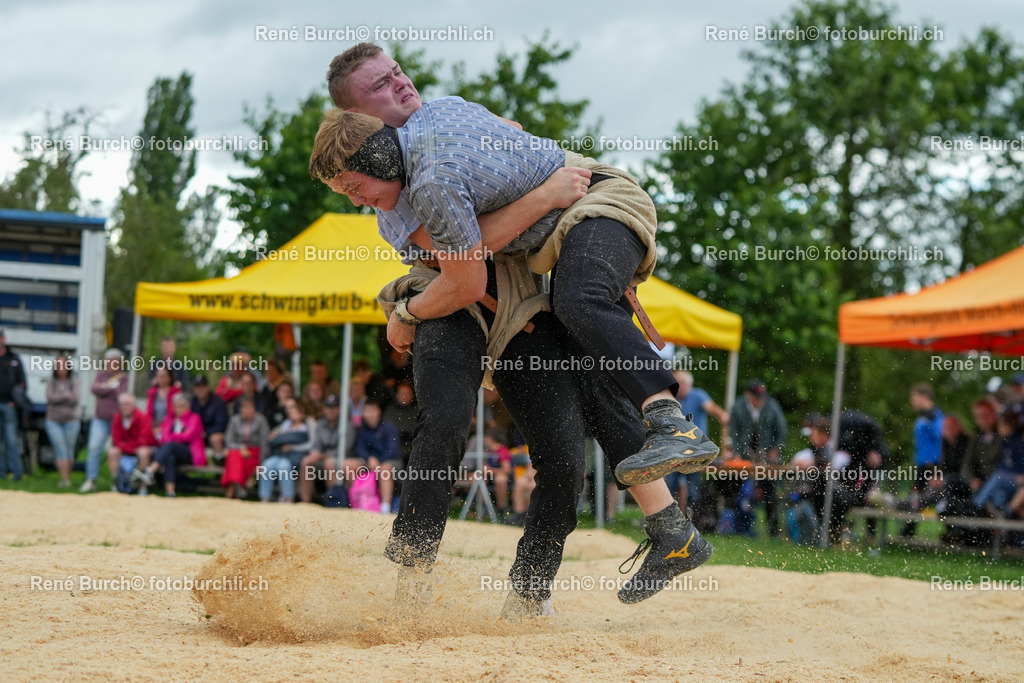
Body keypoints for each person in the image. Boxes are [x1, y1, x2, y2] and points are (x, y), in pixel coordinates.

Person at [319, 44, 714, 612]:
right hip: (458, 295)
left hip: (523, 295)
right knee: (447, 417)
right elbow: (466, 265)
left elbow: (513, 132)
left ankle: (546, 585)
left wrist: (527, 173)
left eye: (397, 73)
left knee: (570, 443)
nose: (400, 84)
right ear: (360, 121)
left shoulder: (441, 118)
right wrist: (545, 195)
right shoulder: (399, 191)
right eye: (380, 86)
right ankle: (411, 579)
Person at [310, 93, 720, 487]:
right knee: (590, 365)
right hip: (568, 220)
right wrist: (539, 191)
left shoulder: (429, 182)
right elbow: (512, 128)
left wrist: (405, 313)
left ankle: (673, 423)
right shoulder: (437, 115)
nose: (357, 201)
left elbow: (467, 275)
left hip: (597, 198)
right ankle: (669, 521)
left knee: (579, 300)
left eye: (354, 188)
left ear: (379, 158)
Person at [727, 379, 787, 536]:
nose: (759, 400)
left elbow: (782, 431)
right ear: (748, 394)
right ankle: (736, 527)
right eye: (756, 397)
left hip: (766, 457)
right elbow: (733, 432)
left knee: (769, 491)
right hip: (744, 456)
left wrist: (776, 450)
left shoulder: (772, 406)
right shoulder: (738, 407)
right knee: (734, 487)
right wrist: (737, 452)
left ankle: (774, 531)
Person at [664, 370, 729, 512]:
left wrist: (721, 415)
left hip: (695, 451)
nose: (679, 387)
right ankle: (670, 516)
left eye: (682, 384)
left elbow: (710, 406)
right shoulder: (670, 399)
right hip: (674, 450)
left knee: (693, 487)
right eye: (677, 384)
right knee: (669, 486)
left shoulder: (698, 395)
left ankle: (693, 517)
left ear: (689, 385)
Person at [137, 393, 208, 497]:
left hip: (191, 453)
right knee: (170, 457)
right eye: (175, 406)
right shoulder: (170, 419)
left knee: (171, 446)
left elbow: (188, 436)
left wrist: (173, 435)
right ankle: (170, 492)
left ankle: (150, 470)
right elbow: (164, 438)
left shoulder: (194, 418)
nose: (177, 409)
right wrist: (179, 436)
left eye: (180, 406)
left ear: (187, 406)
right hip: (173, 452)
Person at [80, 348, 128, 493]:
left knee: (116, 451)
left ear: (119, 363)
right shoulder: (101, 375)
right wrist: (111, 388)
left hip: (117, 421)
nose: (110, 364)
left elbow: (122, 395)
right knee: (94, 448)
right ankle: (91, 480)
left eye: (114, 362)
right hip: (100, 419)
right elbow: (94, 389)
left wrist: (104, 388)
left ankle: (117, 482)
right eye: (109, 361)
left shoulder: (124, 378)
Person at [258, 398, 315, 503]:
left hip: (296, 455)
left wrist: (293, 447)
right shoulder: (286, 424)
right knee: (267, 465)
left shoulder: (308, 423)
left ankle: (288, 497)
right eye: (290, 410)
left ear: (302, 410)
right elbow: (275, 437)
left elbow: (313, 444)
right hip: (282, 454)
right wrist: (275, 435)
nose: (291, 412)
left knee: (283, 467)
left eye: (294, 409)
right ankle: (265, 497)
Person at [353, 398, 401, 514]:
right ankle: (356, 500)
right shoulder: (362, 429)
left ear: (378, 411)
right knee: (349, 465)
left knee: (384, 470)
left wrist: (378, 462)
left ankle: (385, 507)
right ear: (363, 413)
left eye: (372, 411)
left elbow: (393, 450)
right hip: (370, 463)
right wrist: (369, 458)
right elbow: (359, 449)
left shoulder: (389, 427)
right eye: (367, 411)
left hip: (390, 462)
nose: (370, 414)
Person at [973, 408, 1024, 517]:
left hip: (1017, 480)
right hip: (1009, 480)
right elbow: (1002, 465)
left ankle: (976, 505)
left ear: (1008, 426)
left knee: (998, 477)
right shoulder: (1005, 442)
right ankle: (1001, 517)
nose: (997, 428)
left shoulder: (1018, 443)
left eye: (1000, 425)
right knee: (999, 492)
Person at [299, 393, 345, 503]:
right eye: (328, 408)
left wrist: (323, 455)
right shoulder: (321, 424)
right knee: (306, 461)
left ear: (339, 409)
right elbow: (316, 445)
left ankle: (333, 501)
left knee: (329, 463)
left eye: (334, 408)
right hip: (322, 458)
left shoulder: (346, 424)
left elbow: (346, 449)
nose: (331, 411)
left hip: (341, 458)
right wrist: (315, 454)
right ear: (324, 409)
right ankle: (306, 501)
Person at [221, 396, 270, 499]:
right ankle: (236, 486)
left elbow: (264, 443)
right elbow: (229, 440)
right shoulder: (235, 420)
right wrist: (241, 447)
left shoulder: (261, 420)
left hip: (254, 453)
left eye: (250, 407)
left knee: (233, 457)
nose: (247, 410)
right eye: (245, 407)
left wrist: (262, 463)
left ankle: (232, 491)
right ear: (240, 409)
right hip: (238, 451)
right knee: (234, 455)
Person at [44, 354, 79, 488]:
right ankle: (65, 481)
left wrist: (58, 397)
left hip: (71, 421)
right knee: (61, 449)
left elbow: (75, 399)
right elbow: (50, 398)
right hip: (53, 420)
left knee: (69, 451)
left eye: (64, 364)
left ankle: (66, 479)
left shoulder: (73, 381)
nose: (61, 367)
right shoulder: (51, 381)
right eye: (58, 364)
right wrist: (65, 395)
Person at [110, 393, 156, 495]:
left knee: (143, 453)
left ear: (133, 405)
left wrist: (128, 447)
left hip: (140, 447)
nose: (124, 407)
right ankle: (117, 483)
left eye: (127, 404)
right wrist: (128, 448)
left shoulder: (143, 417)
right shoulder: (117, 417)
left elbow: (144, 438)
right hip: (129, 448)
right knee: (112, 452)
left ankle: (142, 487)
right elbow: (116, 439)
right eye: (121, 404)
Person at [0, 329, 27, 481]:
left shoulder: (13, 358)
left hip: (9, 406)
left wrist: (15, 401)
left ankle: (17, 473)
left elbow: (22, 382)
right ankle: (1, 473)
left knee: (11, 440)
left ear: (3, 339)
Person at [190, 374, 228, 459]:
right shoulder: (192, 402)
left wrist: (206, 433)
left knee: (215, 438)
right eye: (197, 386)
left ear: (208, 387)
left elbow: (221, 425)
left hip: (214, 434)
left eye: (202, 386)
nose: (200, 389)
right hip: (197, 434)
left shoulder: (218, 402)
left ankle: (219, 462)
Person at [146, 367, 180, 438]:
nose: (161, 378)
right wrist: (150, 427)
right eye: (159, 376)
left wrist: (162, 427)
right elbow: (149, 413)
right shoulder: (152, 392)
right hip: (154, 425)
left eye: (164, 376)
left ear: (170, 377)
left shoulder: (175, 392)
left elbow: (173, 414)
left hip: (170, 426)